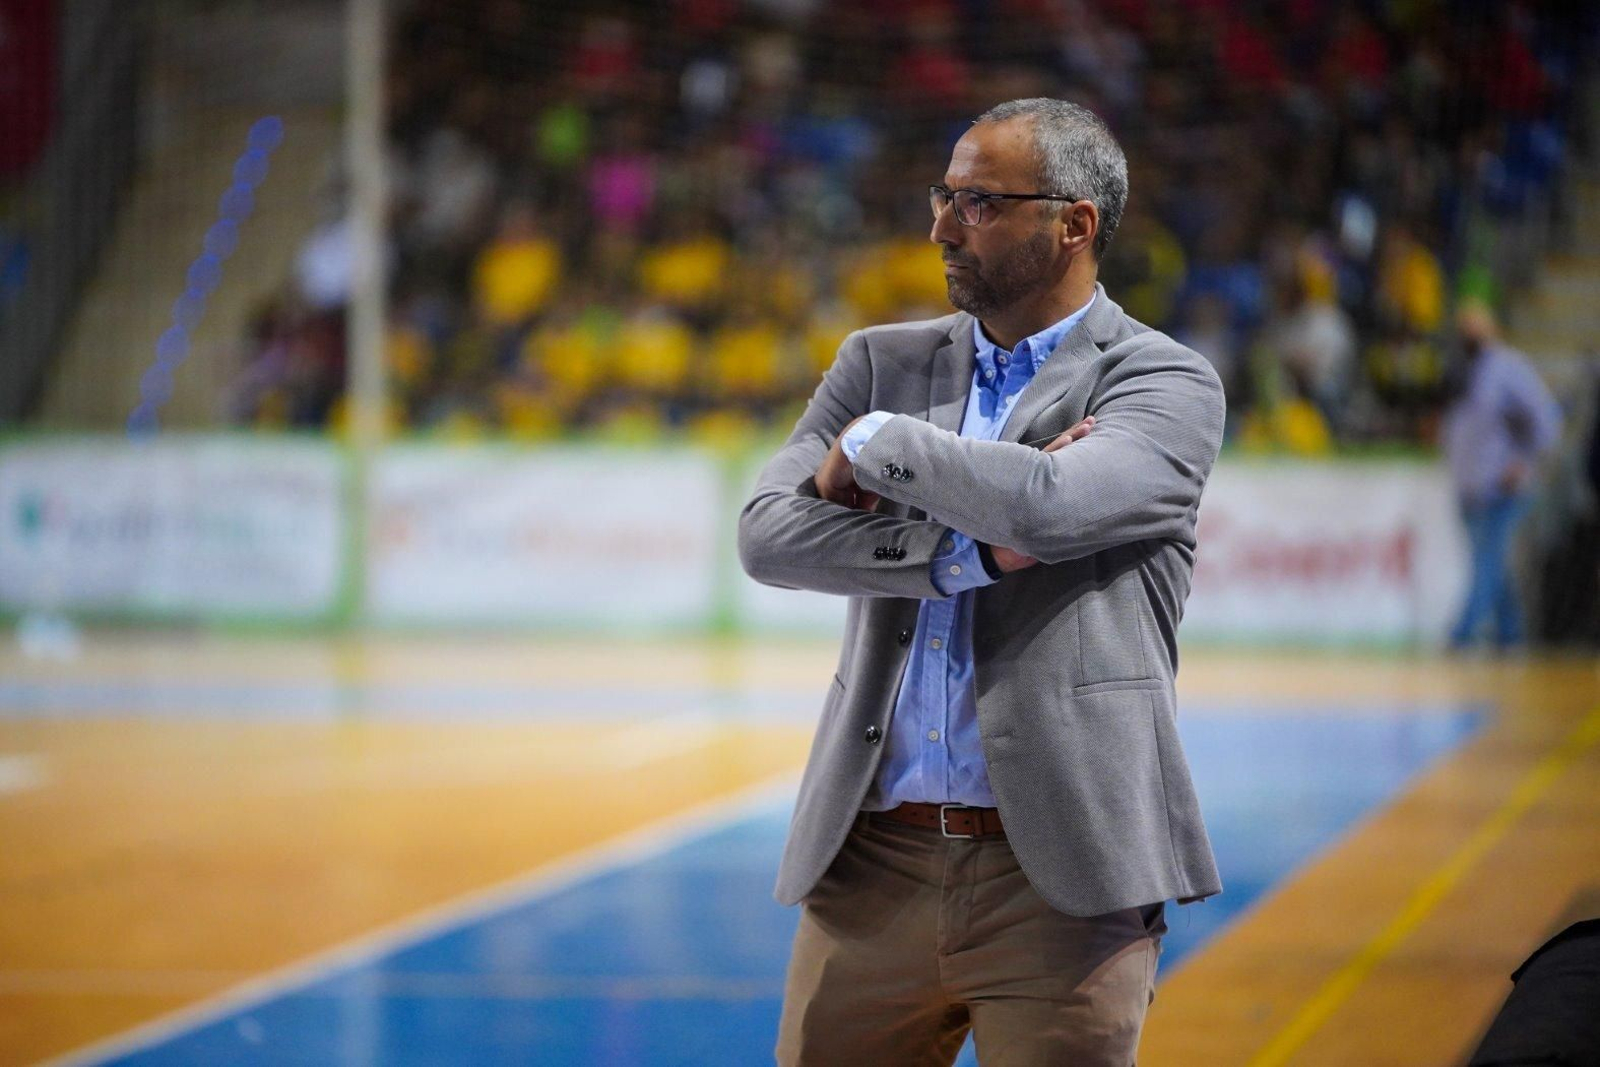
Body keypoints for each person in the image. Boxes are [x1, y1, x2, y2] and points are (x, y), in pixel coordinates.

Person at [738, 98, 1227, 1065]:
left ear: (1073, 223)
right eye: (943, 196)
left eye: (977, 203)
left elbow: (1049, 507)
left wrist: (874, 444)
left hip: (1062, 873)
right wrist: (965, 554)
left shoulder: (1163, 383)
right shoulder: (879, 358)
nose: (939, 228)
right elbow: (769, 535)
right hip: (870, 864)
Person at [1442, 302, 1563, 651]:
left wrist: (1522, 464)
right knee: (1495, 566)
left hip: (1502, 487)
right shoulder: (1464, 370)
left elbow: (1546, 421)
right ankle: (1510, 635)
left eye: (1474, 328)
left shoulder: (1508, 368)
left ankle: (1462, 635)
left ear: (1492, 329)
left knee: (1487, 560)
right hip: (1471, 486)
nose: (1467, 335)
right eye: (1463, 328)